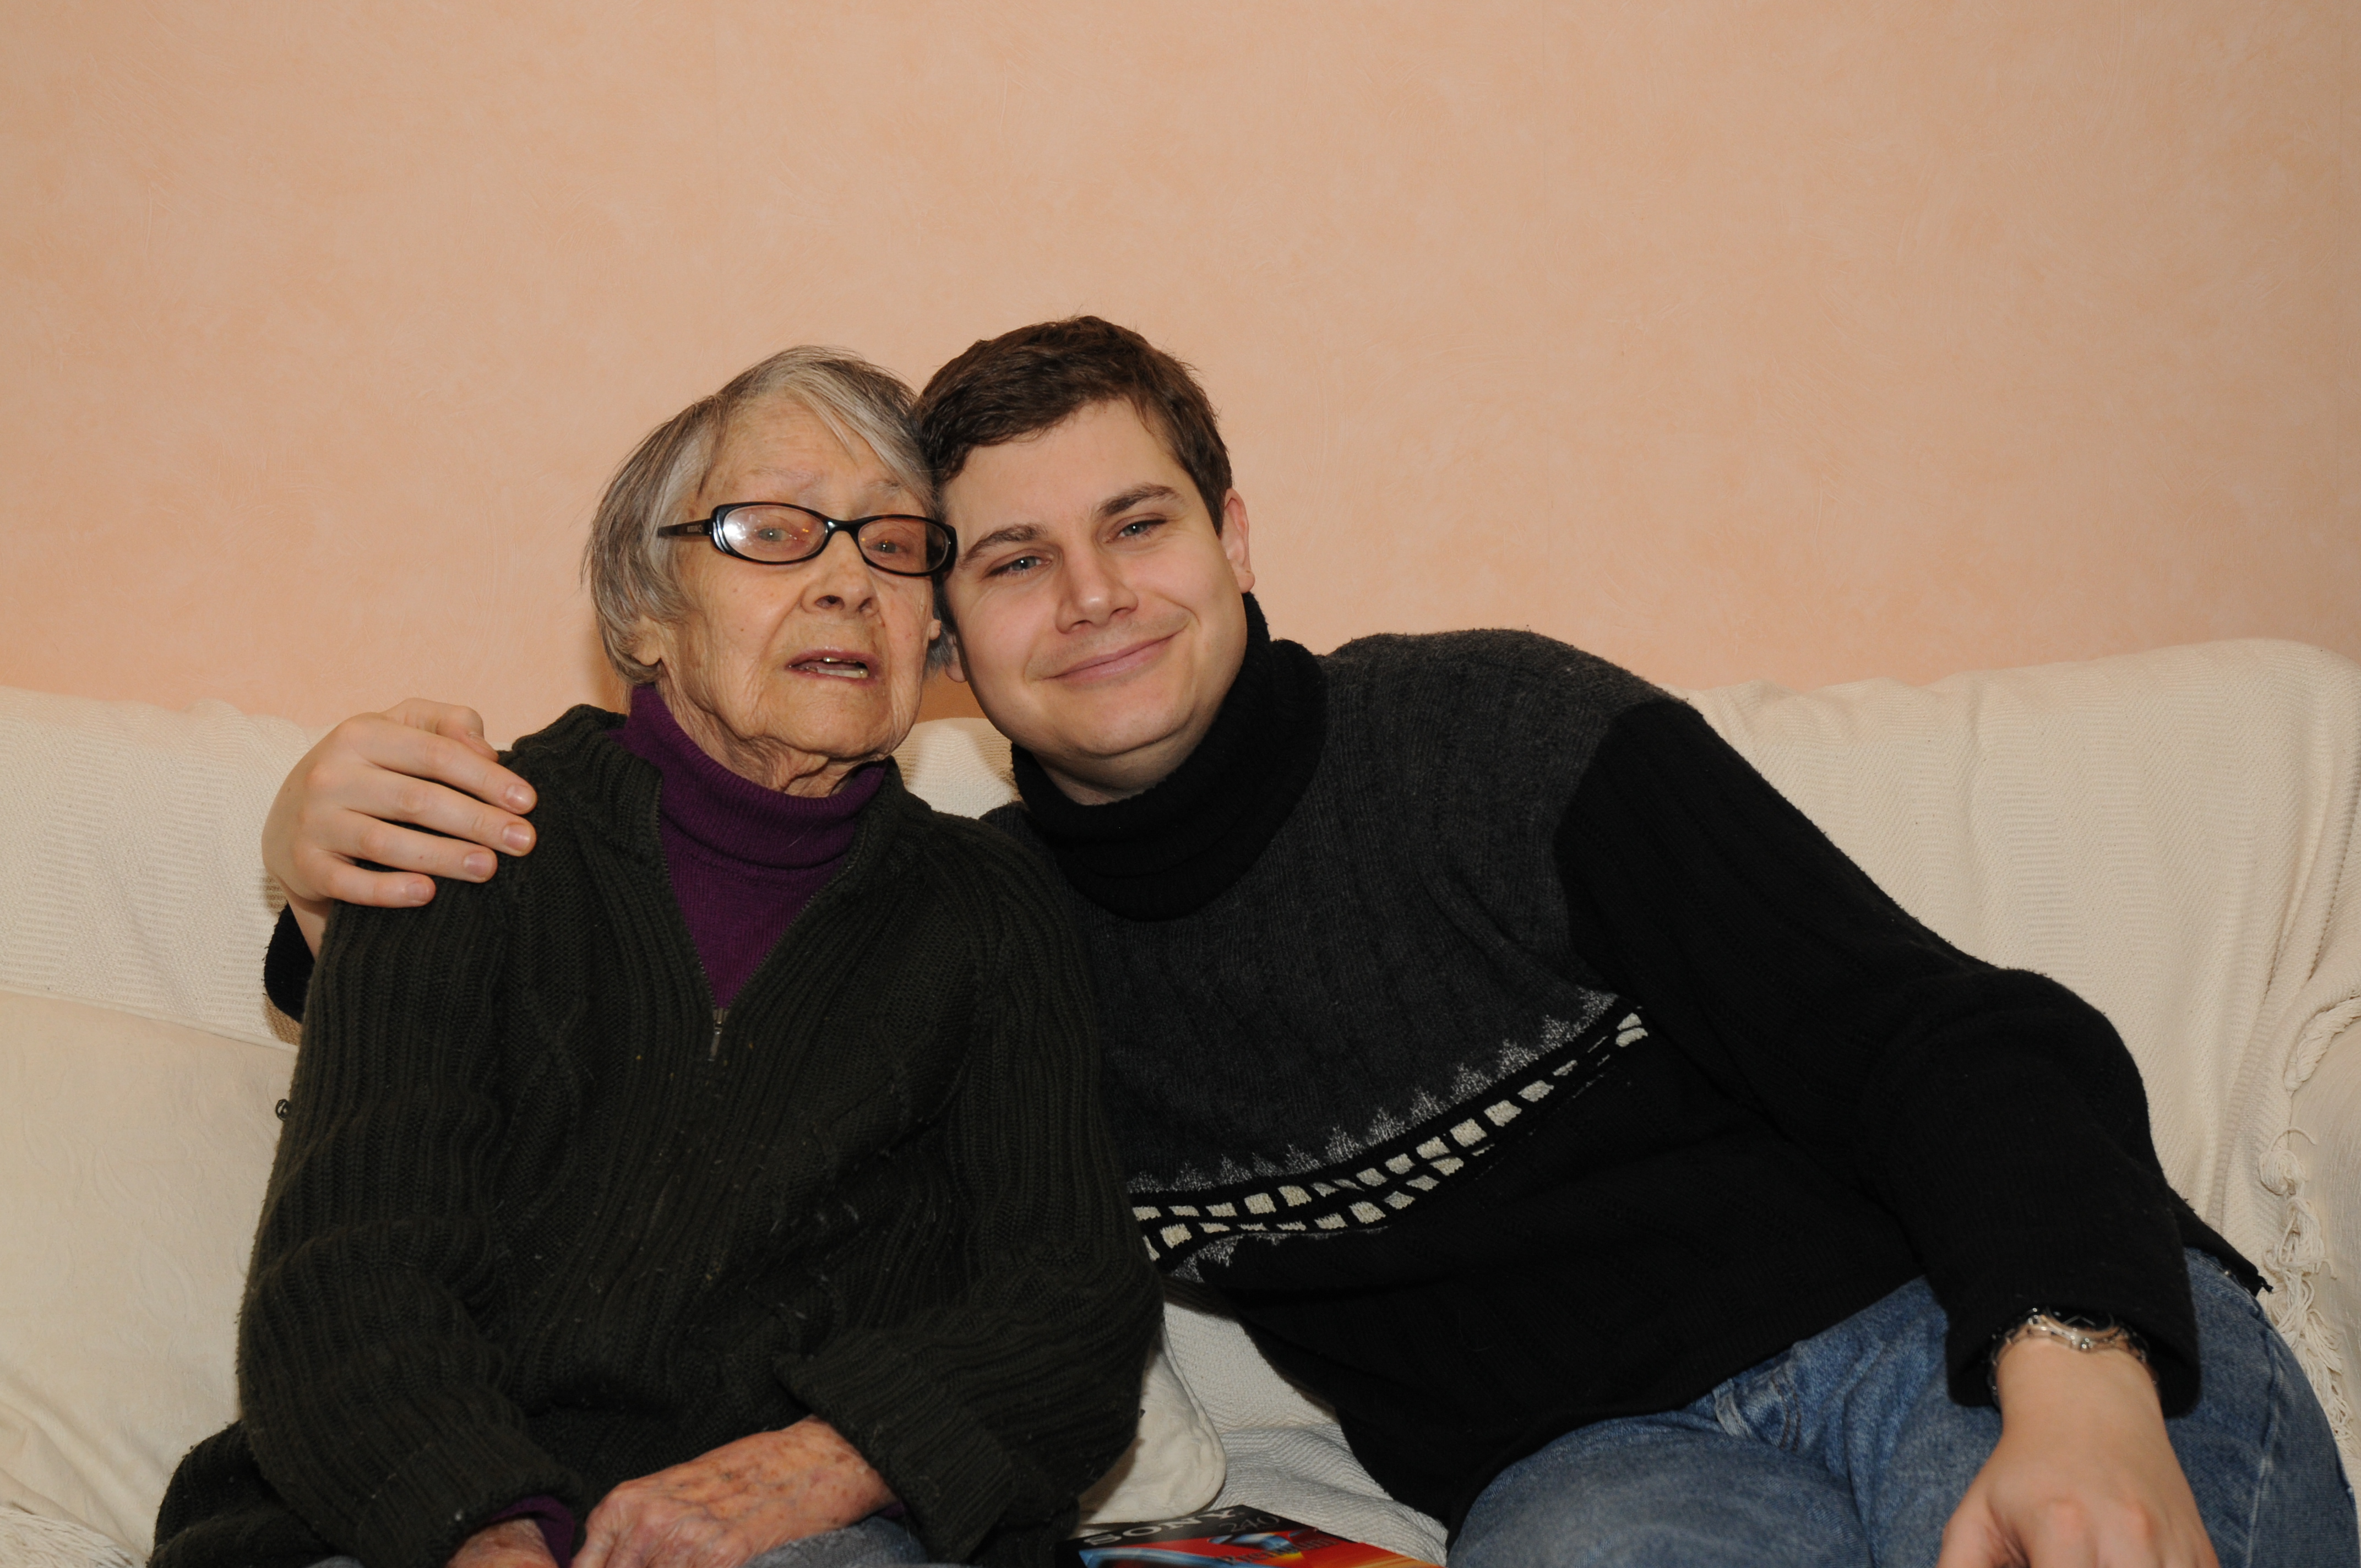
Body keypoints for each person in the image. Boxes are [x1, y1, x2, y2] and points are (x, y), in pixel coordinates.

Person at [258, 319, 2357, 1568]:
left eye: (1136, 523)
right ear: (951, 636)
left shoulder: (1490, 735)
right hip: (1591, 1475)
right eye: (1004, 556)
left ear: (1233, 536)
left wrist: (2070, 1364)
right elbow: (473, 1151)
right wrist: (309, 901)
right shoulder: (987, 922)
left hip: (1932, 1310)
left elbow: (1940, 1034)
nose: (1089, 595)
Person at [155, 347, 1161, 1568]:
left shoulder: (991, 907)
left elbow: (1072, 1304)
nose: (848, 581)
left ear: (933, 628)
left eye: (896, 545)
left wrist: (828, 1463)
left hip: (814, 1532)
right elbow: (347, 1285)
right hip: (413, 1516)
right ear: (642, 611)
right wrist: (487, 1535)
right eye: (772, 531)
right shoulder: (465, 836)